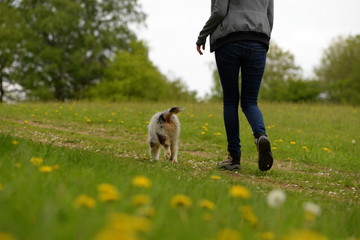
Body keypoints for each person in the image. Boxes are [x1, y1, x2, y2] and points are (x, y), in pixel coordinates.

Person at [196, 0, 274, 171]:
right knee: (250, 101)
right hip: (258, 41)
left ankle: (234, 157)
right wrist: (263, 39)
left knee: (231, 101)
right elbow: (270, 16)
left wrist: (202, 36)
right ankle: (260, 136)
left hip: (229, 41)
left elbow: (220, 11)